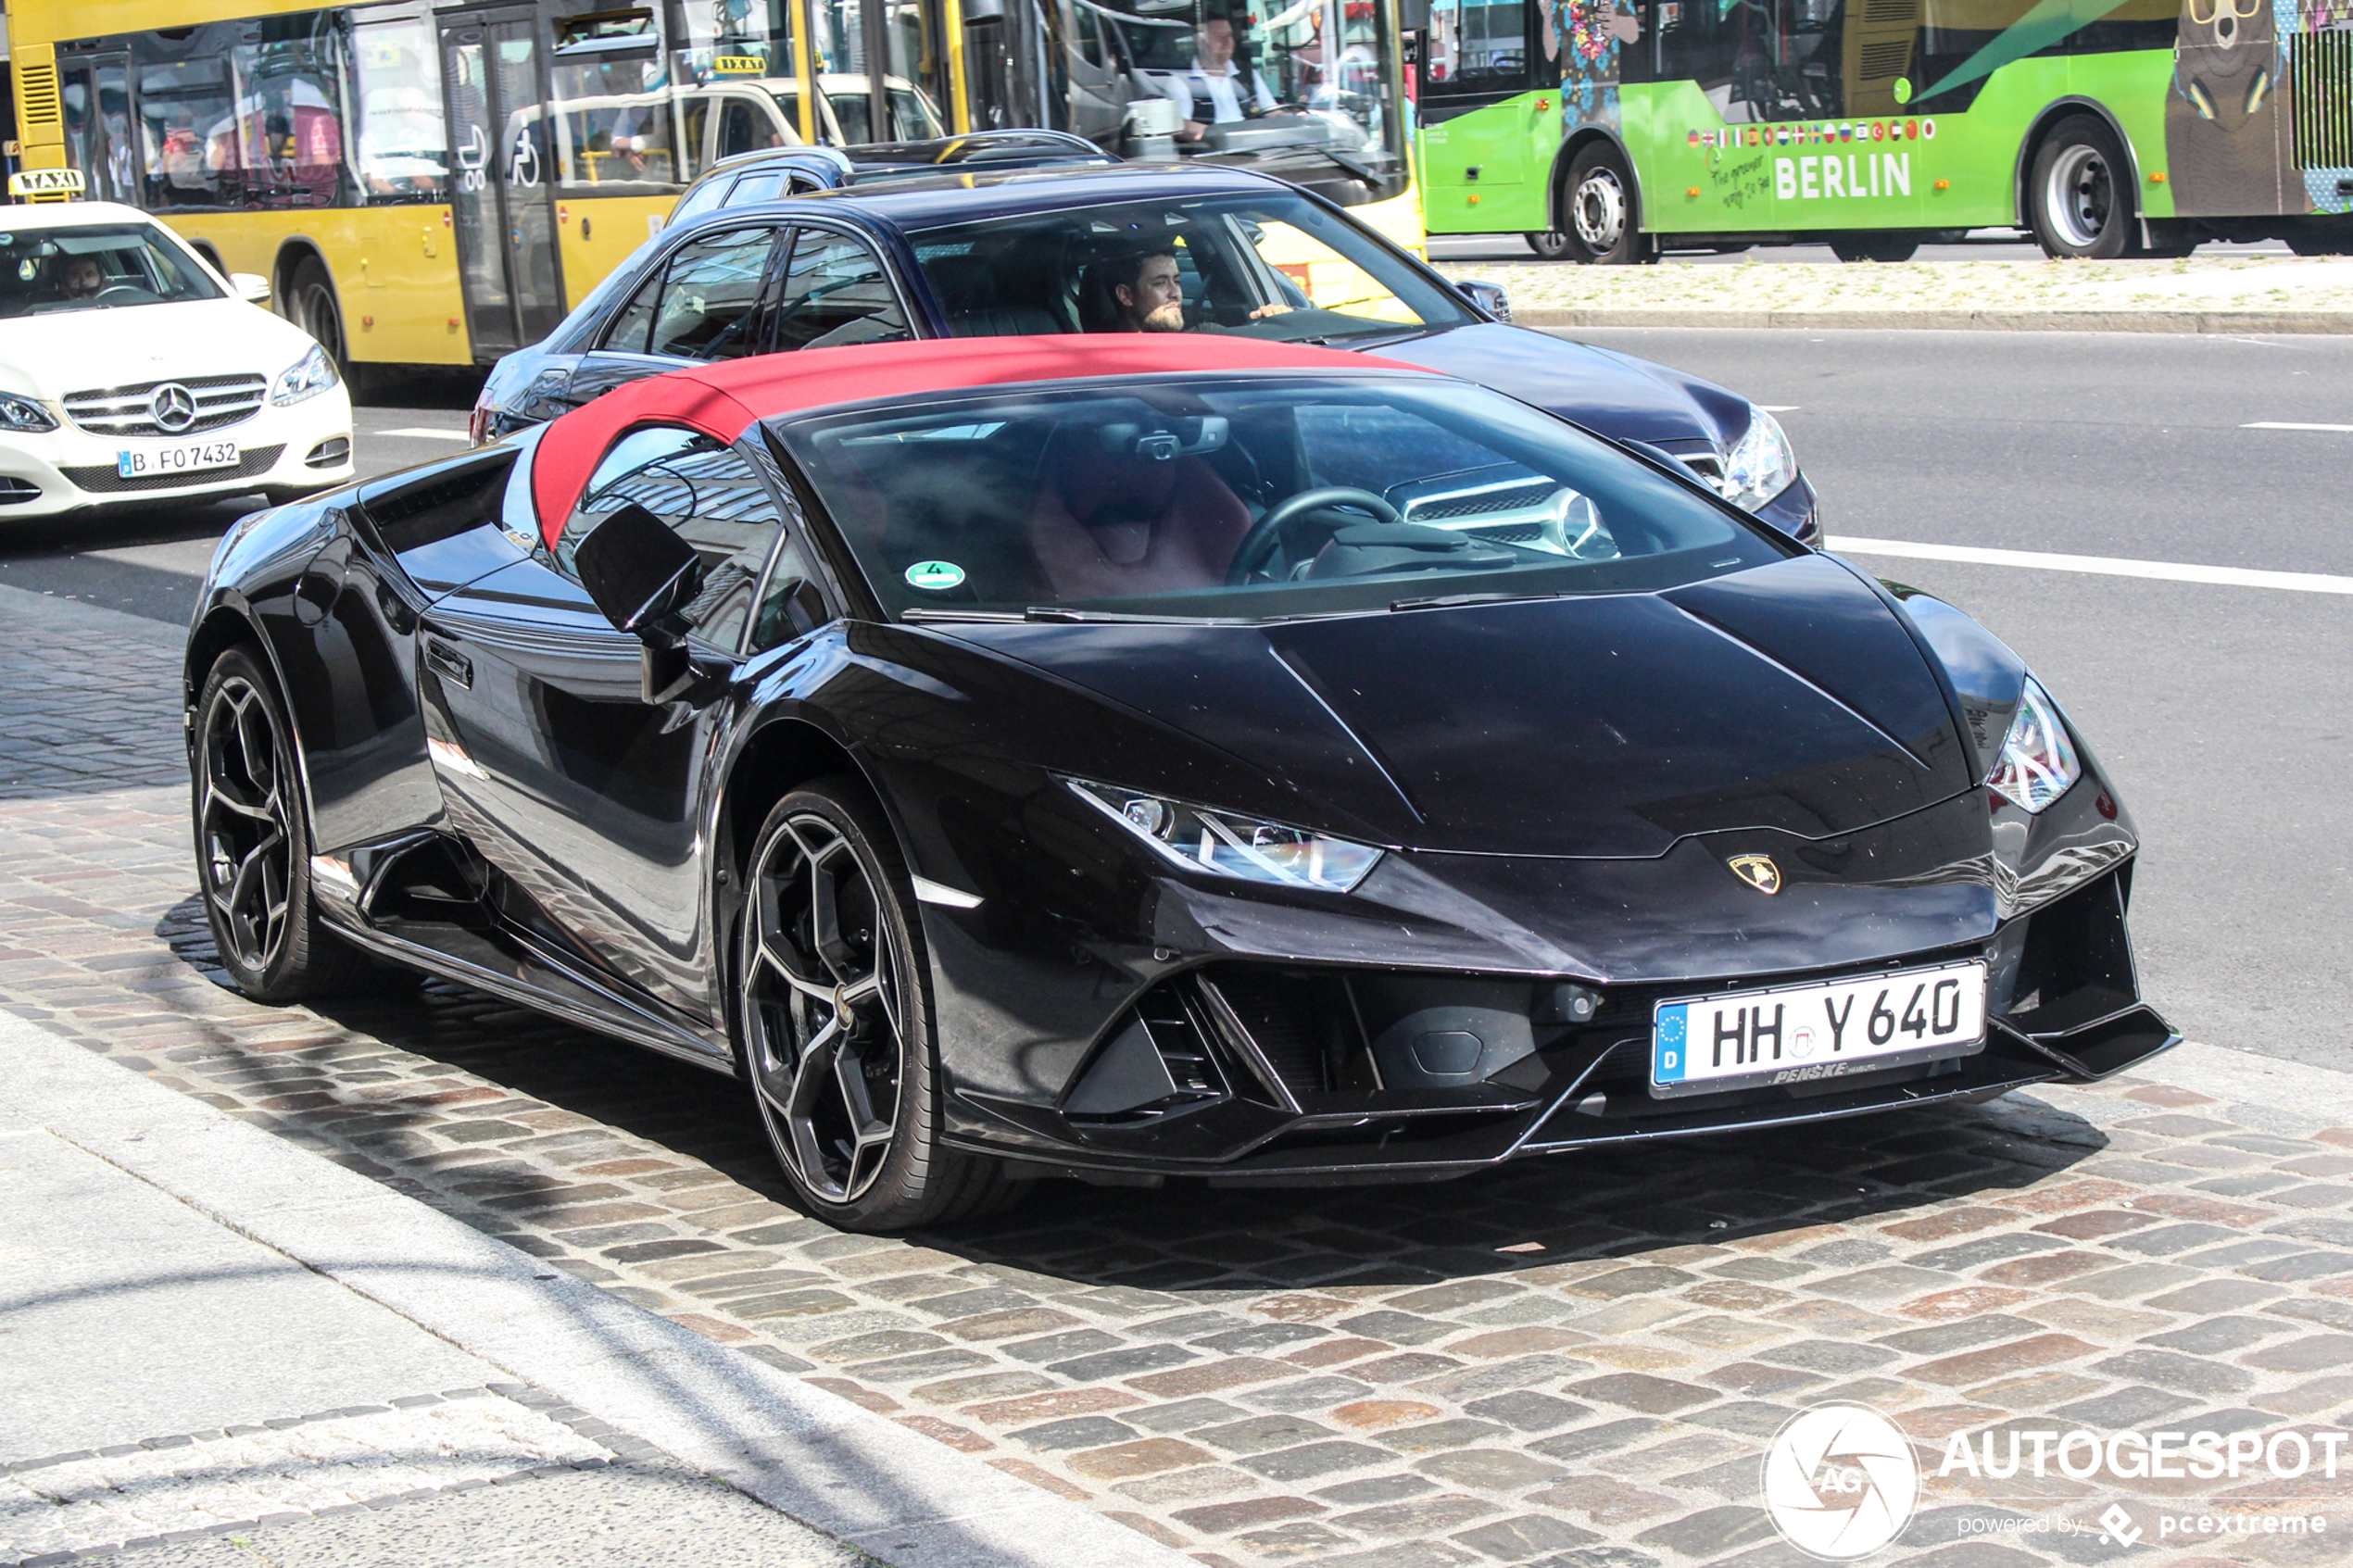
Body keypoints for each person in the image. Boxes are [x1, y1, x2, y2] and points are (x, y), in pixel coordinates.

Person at [1158, 16, 1279, 143]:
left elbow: (1271, 111)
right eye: (1219, 37)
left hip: (1254, 145)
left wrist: (1294, 119)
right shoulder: (1182, 79)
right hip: (1210, 152)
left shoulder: (1248, 74)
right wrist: (1219, 136)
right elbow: (1181, 125)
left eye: (1229, 36)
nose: (1227, 42)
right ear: (1200, 41)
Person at [1101, 246, 1186, 332]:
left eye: (1177, 281)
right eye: (1160, 283)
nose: (1176, 293)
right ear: (1126, 295)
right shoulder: (1101, 345)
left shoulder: (1192, 340)